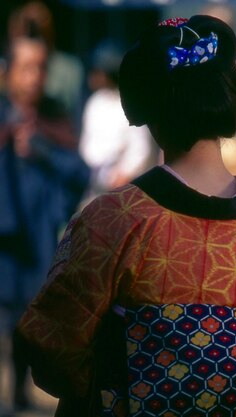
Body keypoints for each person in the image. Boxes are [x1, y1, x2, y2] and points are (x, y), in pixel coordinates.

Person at [14, 15, 236, 417]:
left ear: (146, 110)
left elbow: (51, 343)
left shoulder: (112, 220)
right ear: (229, 100)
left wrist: (117, 390)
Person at [0, 35, 89, 411]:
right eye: (26, 67)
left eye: (41, 67)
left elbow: (78, 172)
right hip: (2, 239)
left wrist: (40, 149)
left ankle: (19, 392)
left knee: (26, 319)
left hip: (37, 238)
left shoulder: (52, 118)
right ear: (6, 72)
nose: (35, 77)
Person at [79, 40, 156, 200]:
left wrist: (123, 174)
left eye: (98, 72)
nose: (93, 77)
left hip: (126, 188)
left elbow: (140, 149)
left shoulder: (129, 102)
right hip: (94, 185)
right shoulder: (95, 102)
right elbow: (87, 145)